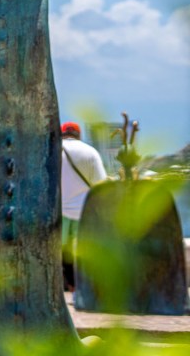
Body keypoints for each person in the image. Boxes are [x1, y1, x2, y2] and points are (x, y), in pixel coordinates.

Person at [60, 121, 108, 290]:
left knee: (61, 252)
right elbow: (101, 185)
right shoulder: (91, 152)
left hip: (59, 212)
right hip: (84, 211)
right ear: (79, 135)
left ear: (61, 134)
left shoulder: (54, 152)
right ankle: (81, 287)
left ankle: (69, 285)